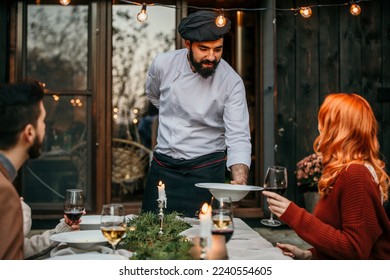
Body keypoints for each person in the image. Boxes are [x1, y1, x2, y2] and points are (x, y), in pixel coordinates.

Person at [141, 11, 252, 216]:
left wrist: (239, 179)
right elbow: (154, 96)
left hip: (206, 171)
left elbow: (238, 135)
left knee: (202, 240)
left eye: (217, 49)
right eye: (204, 49)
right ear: (187, 44)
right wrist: (173, 114)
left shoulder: (232, 82)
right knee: (150, 231)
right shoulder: (163, 64)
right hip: (163, 167)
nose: (211, 57)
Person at [263, 93, 390, 259]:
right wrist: (309, 255)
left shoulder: (356, 175)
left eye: (324, 120)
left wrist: (294, 214)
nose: (319, 127)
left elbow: (355, 251)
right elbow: (343, 240)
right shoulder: (347, 171)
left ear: (337, 129)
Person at [0, 80, 81, 260]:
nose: (45, 127)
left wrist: (60, 231)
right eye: (42, 121)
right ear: (29, 132)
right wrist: (20, 216)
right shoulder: (4, 192)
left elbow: (17, 248)